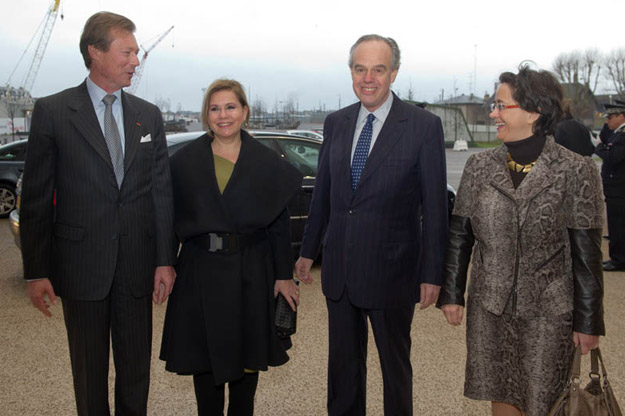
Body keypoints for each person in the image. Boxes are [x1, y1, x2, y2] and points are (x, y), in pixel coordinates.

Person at [19, 11, 177, 415]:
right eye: (127, 52)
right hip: (81, 265)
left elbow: (161, 193)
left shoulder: (149, 115)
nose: (135, 61)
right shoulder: (53, 112)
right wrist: (36, 271)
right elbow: (37, 198)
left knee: (136, 372)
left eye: (136, 53)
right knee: (88, 374)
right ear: (95, 52)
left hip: (137, 267)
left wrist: (164, 260)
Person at [439, 65, 605, 416]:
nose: (493, 113)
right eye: (493, 105)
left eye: (501, 106)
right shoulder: (478, 166)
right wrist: (452, 293)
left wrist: (588, 321)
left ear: (533, 112)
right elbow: (460, 235)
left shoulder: (576, 170)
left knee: (544, 398)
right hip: (490, 306)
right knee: (500, 389)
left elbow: (587, 254)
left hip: (548, 310)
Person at [295, 34, 448, 415]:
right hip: (341, 270)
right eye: (360, 69)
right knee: (343, 372)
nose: (368, 78)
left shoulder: (423, 126)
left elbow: (436, 206)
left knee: (395, 371)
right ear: (351, 72)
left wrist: (432, 273)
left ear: (393, 72)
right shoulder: (336, 123)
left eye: (378, 69)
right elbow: (324, 197)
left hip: (394, 272)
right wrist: (306, 251)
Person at [159, 79, 302, 415]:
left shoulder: (267, 163)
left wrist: (284, 276)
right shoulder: (184, 162)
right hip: (199, 272)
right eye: (215, 108)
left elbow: (280, 225)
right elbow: (167, 220)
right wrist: (163, 265)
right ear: (206, 115)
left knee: (246, 366)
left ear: (244, 111)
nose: (223, 115)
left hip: (251, 271)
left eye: (230, 107)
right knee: (204, 365)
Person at [595, 102, 625, 271]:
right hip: (616, 187)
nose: (608, 121)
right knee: (616, 224)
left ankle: (618, 259)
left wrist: (599, 147)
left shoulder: (622, 135)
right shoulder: (617, 133)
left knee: (617, 224)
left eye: (611, 117)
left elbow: (613, 156)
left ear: (621, 116)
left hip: (619, 188)